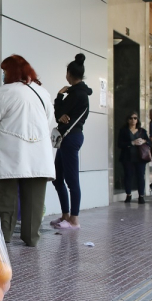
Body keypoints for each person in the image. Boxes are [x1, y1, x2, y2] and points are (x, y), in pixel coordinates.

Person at [0, 55, 55, 247]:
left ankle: (5, 236)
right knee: (35, 202)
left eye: (4, 71)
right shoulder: (43, 93)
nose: (3, 75)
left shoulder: (4, 92)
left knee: (6, 199)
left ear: (10, 72)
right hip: (39, 155)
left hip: (10, 152)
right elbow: (49, 122)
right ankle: (31, 237)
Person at [50, 54, 92, 229]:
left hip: (70, 137)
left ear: (69, 74)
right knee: (58, 179)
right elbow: (60, 115)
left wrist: (59, 98)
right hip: (66, 138)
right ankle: (66, 215)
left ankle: (74, 219)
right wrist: (61, 113)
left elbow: (59, 113)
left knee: (71, 180)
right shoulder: (76, 93)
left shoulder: (78, 95)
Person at [118, 112, 150, 204]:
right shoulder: (123, 131)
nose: (133, 120)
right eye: (131, 118)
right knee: (128, 176)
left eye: (135, 118)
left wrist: (143, 141)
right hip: (127, 157)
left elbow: (149, 142)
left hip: (140, 157)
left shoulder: (142, 131)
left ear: (137, 120)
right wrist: (131, 143)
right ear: (128, 120)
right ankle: (128, 195)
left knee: (140, 176)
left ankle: (141, 196)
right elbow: (119, 144)